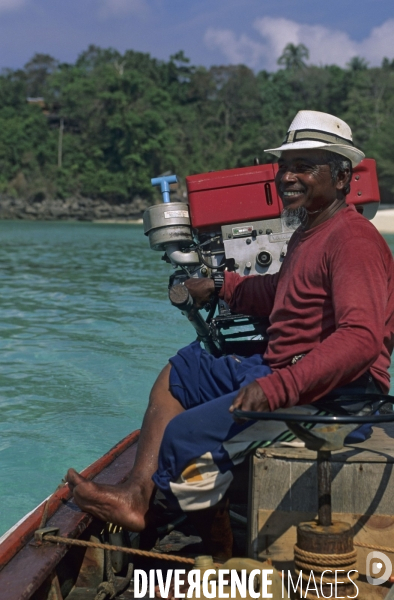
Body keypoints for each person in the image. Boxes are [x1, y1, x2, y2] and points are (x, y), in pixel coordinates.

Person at [66, 110, 394, 560]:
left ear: (341, 177)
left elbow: (360, 339)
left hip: (335, 393)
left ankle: (220, 549)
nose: (288, 177)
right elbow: (282, 290)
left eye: (304, 166)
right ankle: (137, 494)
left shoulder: (352, 240)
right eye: (285, 166)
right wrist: (221, 286)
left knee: (186, 436)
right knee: (181, 372)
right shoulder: (312, 228)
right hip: (287, 367)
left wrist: (277, 387)